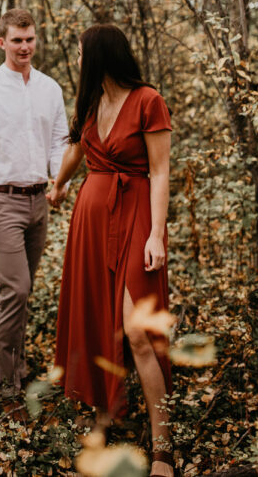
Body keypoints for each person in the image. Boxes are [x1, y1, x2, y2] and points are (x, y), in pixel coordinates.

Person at [47, 24, 175, 477]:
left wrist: (156, 234)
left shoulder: (147, 100)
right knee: (97, 319)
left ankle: (163, 446)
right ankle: (105, 412)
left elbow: (160, 173)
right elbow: (78, 148)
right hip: (91, 221)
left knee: (137, 330)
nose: (79, 60)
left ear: (100, 54)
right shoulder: (91, 103)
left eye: (82, 52)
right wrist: (59, 184)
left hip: (136, 216)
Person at [0, 8, 68, 398]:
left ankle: (19, 370)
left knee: (25, 288)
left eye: (30, 39)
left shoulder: (49, 89)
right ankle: (6, 384)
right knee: (16, 289)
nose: (25, 47)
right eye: (17, 40)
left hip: (39, 201)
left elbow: (58, 142)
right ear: (2, 42)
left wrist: (60, 178)